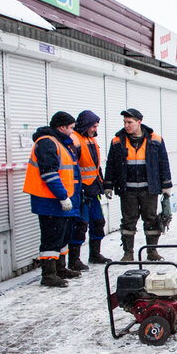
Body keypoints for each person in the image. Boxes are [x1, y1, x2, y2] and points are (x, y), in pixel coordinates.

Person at [103, 108, 172, 262]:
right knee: (128, 221)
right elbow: (111, 165)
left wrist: (167, 185)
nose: (127, 125)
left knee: (151, 220)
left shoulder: (156, 140)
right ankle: (128, 253)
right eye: (125, 122)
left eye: (130, 122)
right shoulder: (117, 141)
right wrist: (108, 184)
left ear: (139, 122)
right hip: (128, 190)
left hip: (149, 189)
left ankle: (151, 251)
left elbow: (163, 163)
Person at [23, 111, 83, 287]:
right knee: (52, 237)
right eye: (71, 128)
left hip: (59, 200)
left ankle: (60, 268)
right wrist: (62, 196)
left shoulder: (60, 142)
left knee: (63, 235)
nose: (72, 132)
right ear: (62, 127)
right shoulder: (47, 143)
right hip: (50, 201)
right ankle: (49, 274)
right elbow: (49, 173)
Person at [67, 110, 111, 270]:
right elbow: (72, 167)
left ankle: (95, 254)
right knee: (80, 225)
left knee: (98, 221)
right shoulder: (75, 140)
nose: (95, 129)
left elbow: (95, 166)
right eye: (93, 126)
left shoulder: (90, 139)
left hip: (93, 188)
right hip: (81, 190)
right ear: (86, 125)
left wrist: (103, 184)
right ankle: (74, 259)